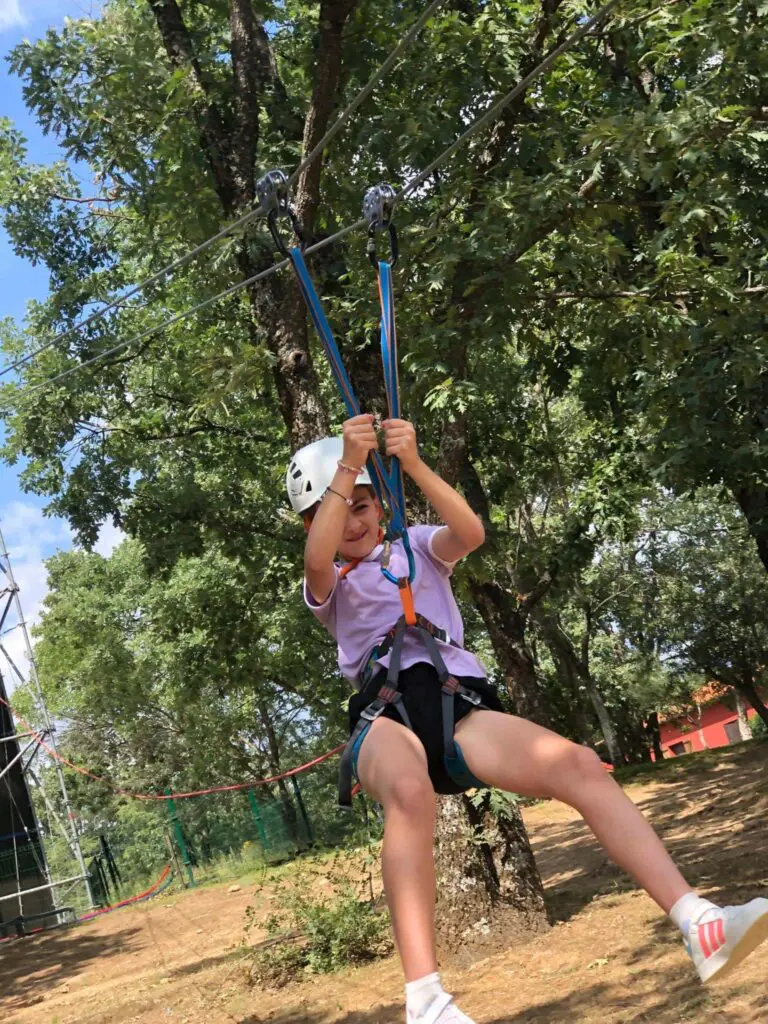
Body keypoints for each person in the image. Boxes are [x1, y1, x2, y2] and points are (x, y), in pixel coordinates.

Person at [288, 413, 768, 1024]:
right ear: (315, 520)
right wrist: (350, 465)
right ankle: (426, 1002)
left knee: (579, 764)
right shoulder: (330, 585)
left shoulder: (418, 547)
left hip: (457, 703)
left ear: (381, 507)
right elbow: (314, 560)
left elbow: (472, 531)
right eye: (336, 508)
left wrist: (412, 465)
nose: (352, 519)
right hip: (386, 716)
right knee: (409, 793)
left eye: (363, 505)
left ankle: (698, 923)